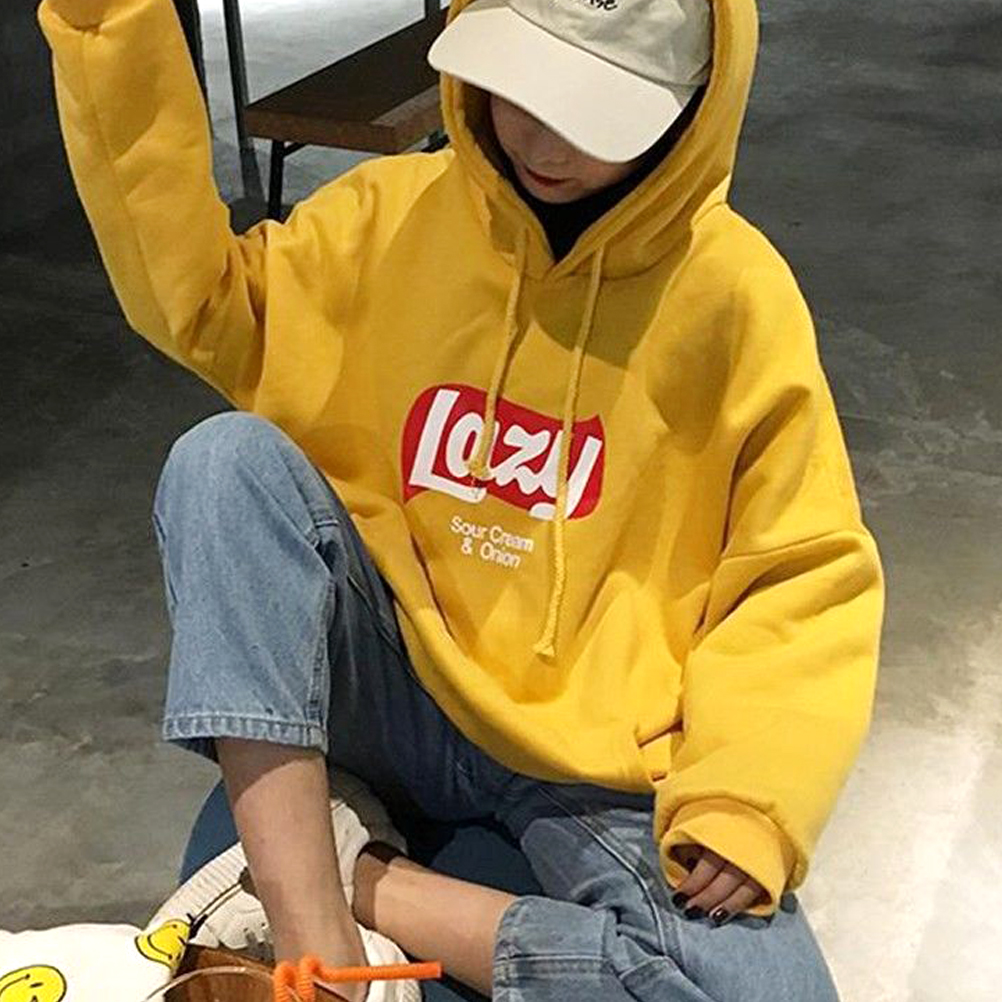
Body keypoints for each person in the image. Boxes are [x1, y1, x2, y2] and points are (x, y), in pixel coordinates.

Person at [37, 0, 885, 999]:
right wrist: (108, 31)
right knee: (224, 464)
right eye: (517, 86)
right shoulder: (387, 217)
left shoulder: (734, 297)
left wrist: (747, 792)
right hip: (393, 678)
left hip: (591, 763)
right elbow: (202, 299)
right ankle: (319, 944)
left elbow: (801, 570)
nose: (539, 141)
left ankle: (364, 879)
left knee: (772, 993)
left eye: (591, 111)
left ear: (695, 102)